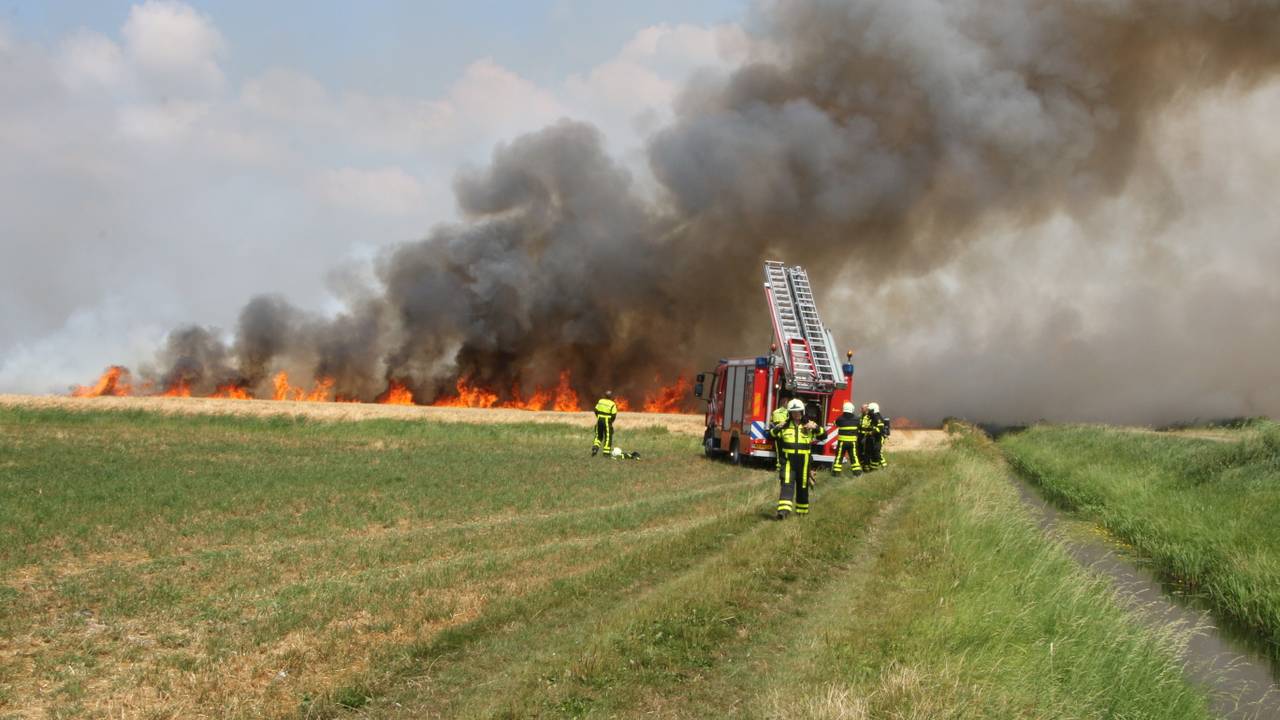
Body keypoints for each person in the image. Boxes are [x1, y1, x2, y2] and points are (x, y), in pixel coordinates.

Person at [771, 398, 824, 519]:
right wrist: (777, 428)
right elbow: (771, 435)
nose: (796, 414)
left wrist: (815, 427)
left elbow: (823, 435)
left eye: (798, 412)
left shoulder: (808, 424)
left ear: (802, 411)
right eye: (793, 412)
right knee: (787, 485)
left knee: (803, 487)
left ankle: (802, 512)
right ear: (790, 413)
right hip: (788, 462)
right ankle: (783, 512)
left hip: (804, 463)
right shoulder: (784, 426)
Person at [831, 401, 862, 477]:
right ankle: (857, 473)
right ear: (852, 409)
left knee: (839, 457)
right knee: (854, 457)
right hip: (852, 442)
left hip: (842, 442)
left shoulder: (840, 419)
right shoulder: (857, 419)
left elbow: (835, 424)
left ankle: (836, 473)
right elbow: (859, 426)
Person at [592, 391, 618, 456]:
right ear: (611, 397)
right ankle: (606, 453)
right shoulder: (612, 404)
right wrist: (610, 422)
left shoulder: (600, 401)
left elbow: (595, 410)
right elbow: (614, 415)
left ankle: (595, 447)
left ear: (605, 395)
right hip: (607, 421)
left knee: (598, 435)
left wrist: (599, 417)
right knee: (608, 436)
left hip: (599, 420)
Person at [770, 395, 791, 477]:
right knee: (786, 452)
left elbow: (772, 422)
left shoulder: (775, 412)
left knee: (779, 453)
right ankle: (784, 466)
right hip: (787, 435)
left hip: (778, 435)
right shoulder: (788, 413)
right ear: (785, 403)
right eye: (787, 402)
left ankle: (779, 467)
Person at [867, 402, 889, 469]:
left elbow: (880, 428)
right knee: (874, 452)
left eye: (870, 410)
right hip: (875, 437)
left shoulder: (877, 417)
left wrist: (871, 432)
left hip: (879, 437)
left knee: (877, 451)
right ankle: (873, 467)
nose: (869, 411)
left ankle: (884, 466)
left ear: (873, 410)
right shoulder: (873, 417)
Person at [857, 403, 876, 471]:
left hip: (867, 436)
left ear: (866, 409)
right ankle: (862, 465)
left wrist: (867, 435)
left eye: (862, 408)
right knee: (859, 452)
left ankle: (866, 466)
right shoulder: (860, 416)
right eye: (861, 408)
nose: (861, 410)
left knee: (867, 452)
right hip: (860, 436)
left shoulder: (870, 417)